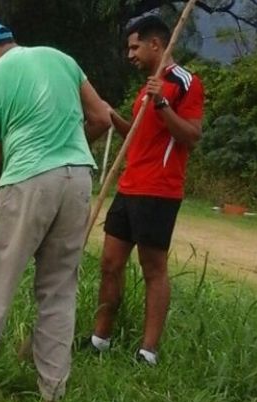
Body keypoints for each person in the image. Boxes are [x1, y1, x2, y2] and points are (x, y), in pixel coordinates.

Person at [0, 22, 111, 402]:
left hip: (27, 179)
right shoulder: (61, 59)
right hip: (77, 180)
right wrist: (68, 149)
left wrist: (2, 194)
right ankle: (53, 390)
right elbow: (102, 118)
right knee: (59, 290)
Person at [90, 16, 204, 365]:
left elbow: (191, 135)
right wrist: (113, 118)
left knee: (153, 268)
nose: (130, 54)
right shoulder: (146, 88)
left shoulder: (185, 83)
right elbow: (140, 138)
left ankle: (148, 351)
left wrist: (163, 104)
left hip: (159, 190)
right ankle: (99, 339)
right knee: (110, 263)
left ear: (156, 45)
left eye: (135, 46)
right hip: (129, 187)